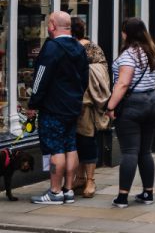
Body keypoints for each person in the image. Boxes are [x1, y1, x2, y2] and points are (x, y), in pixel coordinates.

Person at [27, 12, 89, 205]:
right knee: (70, 146)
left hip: (53, 107)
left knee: (55, 149)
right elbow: (85, 78)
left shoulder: (52, 48)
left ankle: (55, 191)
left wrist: (33, 103)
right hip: (73, 106)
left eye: (48, 24)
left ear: (53, 25)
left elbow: (40, 77)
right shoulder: (78, 47)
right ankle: (68, 189)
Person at [106, 18, 155, 208]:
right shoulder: (152, 52)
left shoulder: (130, 55)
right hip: (153, 102)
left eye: (123, 31)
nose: (121, 34)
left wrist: (111, 106)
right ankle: (148, 192)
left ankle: (122, 197)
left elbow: (123, 83)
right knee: (145, 151)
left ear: (127, 33)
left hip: (133, 104)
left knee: (129, 151)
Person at [71, 17, 110, 199]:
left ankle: (90, 180)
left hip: (85, 103)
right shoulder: (93, 46)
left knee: (86, 140)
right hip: (74, 102)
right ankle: (80, 177)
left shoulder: (84, 48)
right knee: (78, 141)